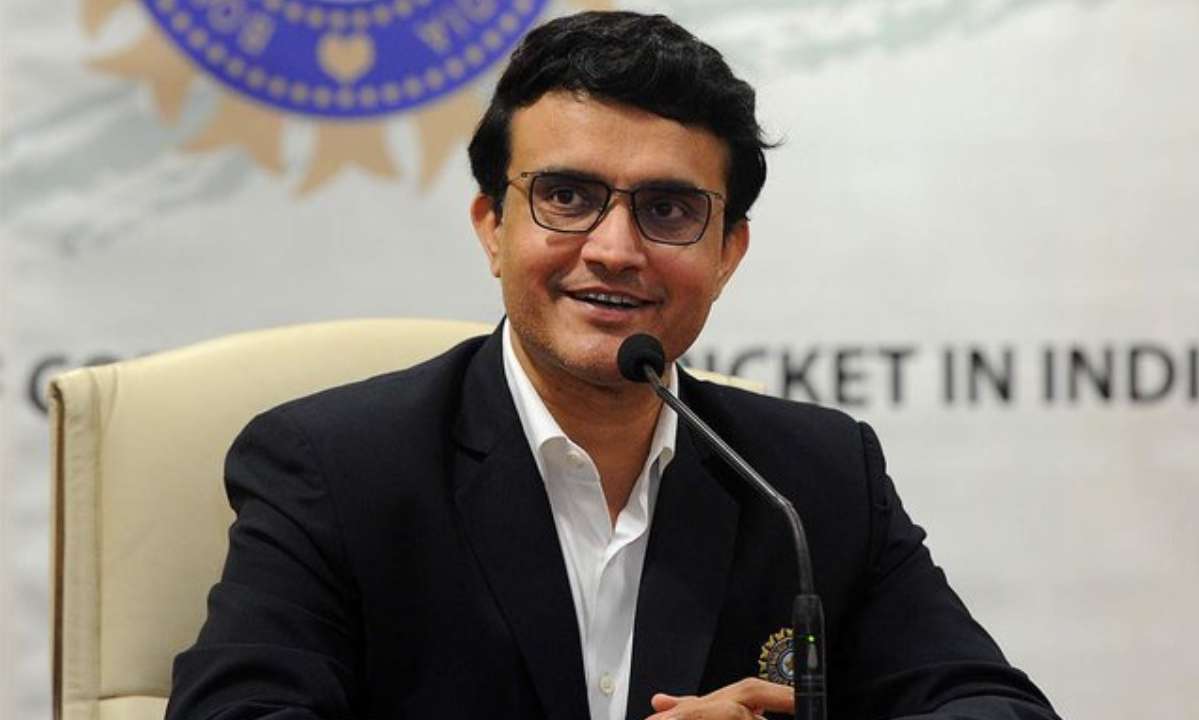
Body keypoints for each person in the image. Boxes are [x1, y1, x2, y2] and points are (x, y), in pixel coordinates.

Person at [166, 11, 1059, 720]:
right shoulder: (335, 468)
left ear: (728, 251)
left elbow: (990, 705)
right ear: (492, 226)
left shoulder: (810, 481)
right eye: (566, 196)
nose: (615, 249)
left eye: (668, 209)